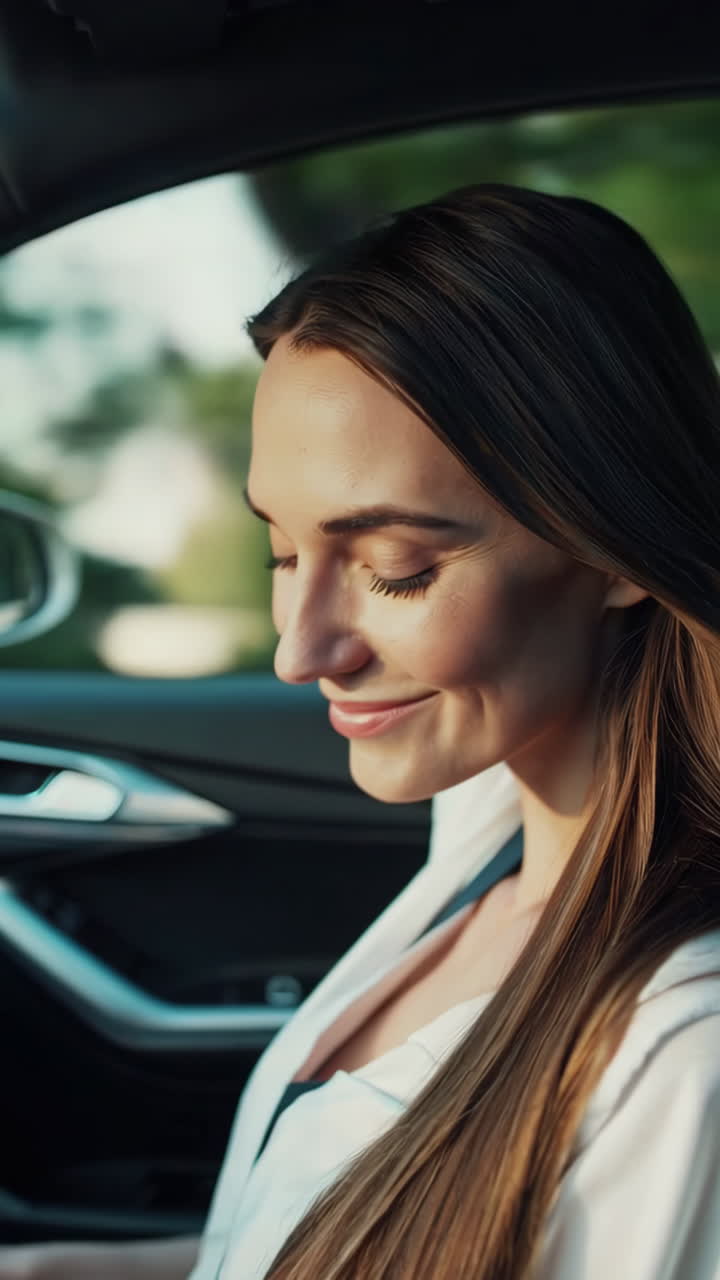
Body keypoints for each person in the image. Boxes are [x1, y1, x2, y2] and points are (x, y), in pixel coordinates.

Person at [2, 181, 720, 1278]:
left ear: (615, 548)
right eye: (283, 555)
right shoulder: (486, 845)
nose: (301, 649)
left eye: (396, 569)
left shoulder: (682, 1057)